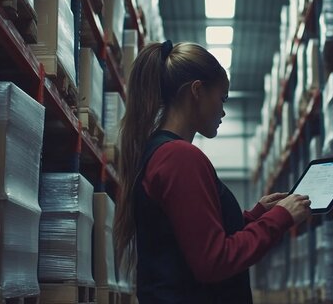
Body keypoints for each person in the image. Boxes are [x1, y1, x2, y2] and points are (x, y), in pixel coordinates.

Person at [116, 40, 312, 303]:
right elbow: (214, 261)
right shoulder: (179, 158)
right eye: (222, 98)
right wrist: (280, 218)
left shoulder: (161, 152)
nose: (223, 110)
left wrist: (256, 216)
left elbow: (193, 238)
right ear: (197, 91)